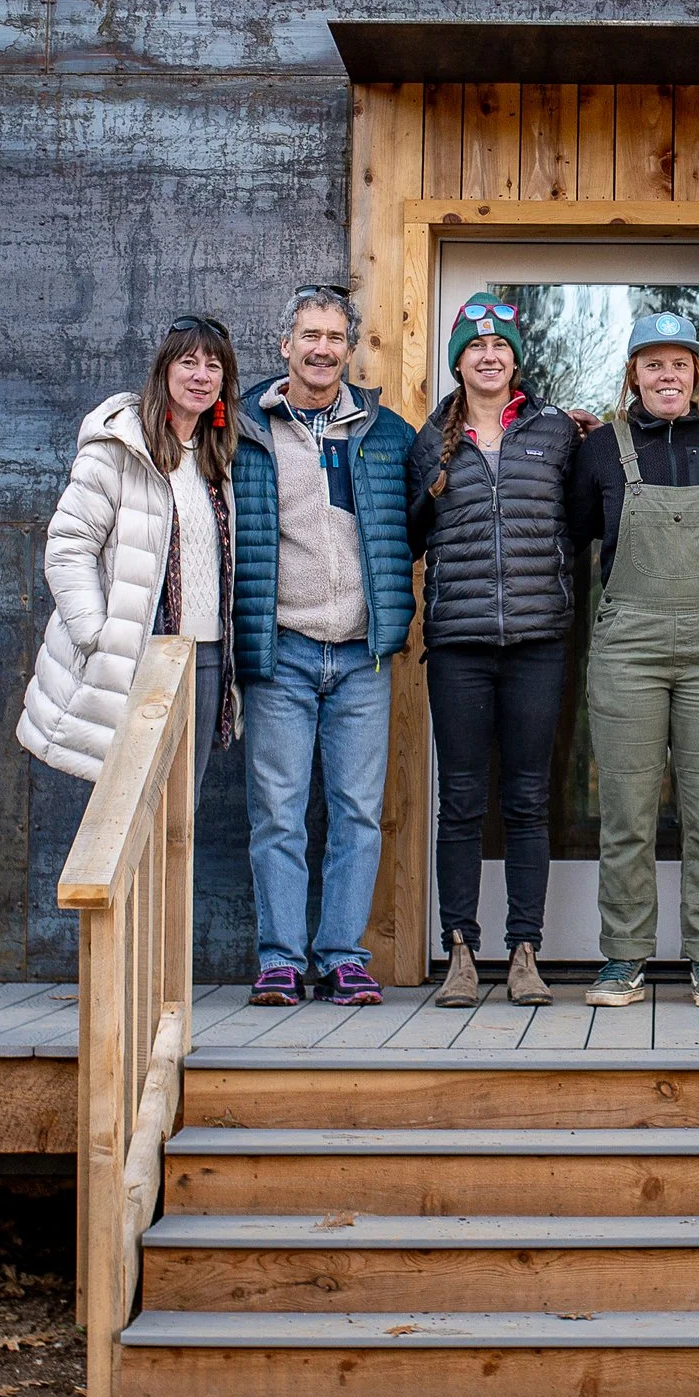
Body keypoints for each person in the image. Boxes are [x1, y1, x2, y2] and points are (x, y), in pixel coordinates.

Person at [230, 285, 417, 1006]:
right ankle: (280, 956)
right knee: (277, 811)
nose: (321, 348)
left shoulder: (384, 431)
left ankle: (341, 954)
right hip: (282, 648)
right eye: (309, 334)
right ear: (285, 344)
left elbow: (421, 510)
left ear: (349, 348)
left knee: (357, 811)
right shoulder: (245, 430)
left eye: (335, 337)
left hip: (362, 653)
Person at [565, 311, 699, 1009]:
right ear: (633, 375)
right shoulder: (601, 449)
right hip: (628, 644)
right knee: (628, 810)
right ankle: (624, 958)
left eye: (679, 363)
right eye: (653, 364)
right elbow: (576, 531)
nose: (667, 375)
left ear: (696, 375)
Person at [407, 292, 577, 1008]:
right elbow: (412, 534)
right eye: (475, 347)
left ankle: (525, 951)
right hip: (458, 645)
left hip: (538, 640)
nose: (488, 355)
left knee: (529, 799)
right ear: (459, 361)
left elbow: (586, 517)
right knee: (462, 802)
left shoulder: (557, 432)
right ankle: (460, 951)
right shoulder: (429, 440)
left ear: (514, 359)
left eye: (500, 345)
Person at [17, 315, 241, 800]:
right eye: (188, 363)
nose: (201, 376)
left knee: (182, 806)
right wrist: (98, 633)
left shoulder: (216, 457)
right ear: (164, 370)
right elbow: (68, 546)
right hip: (141, 653)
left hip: (204, 655)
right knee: (124, 807)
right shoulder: (121, 447)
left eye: (213, 366)